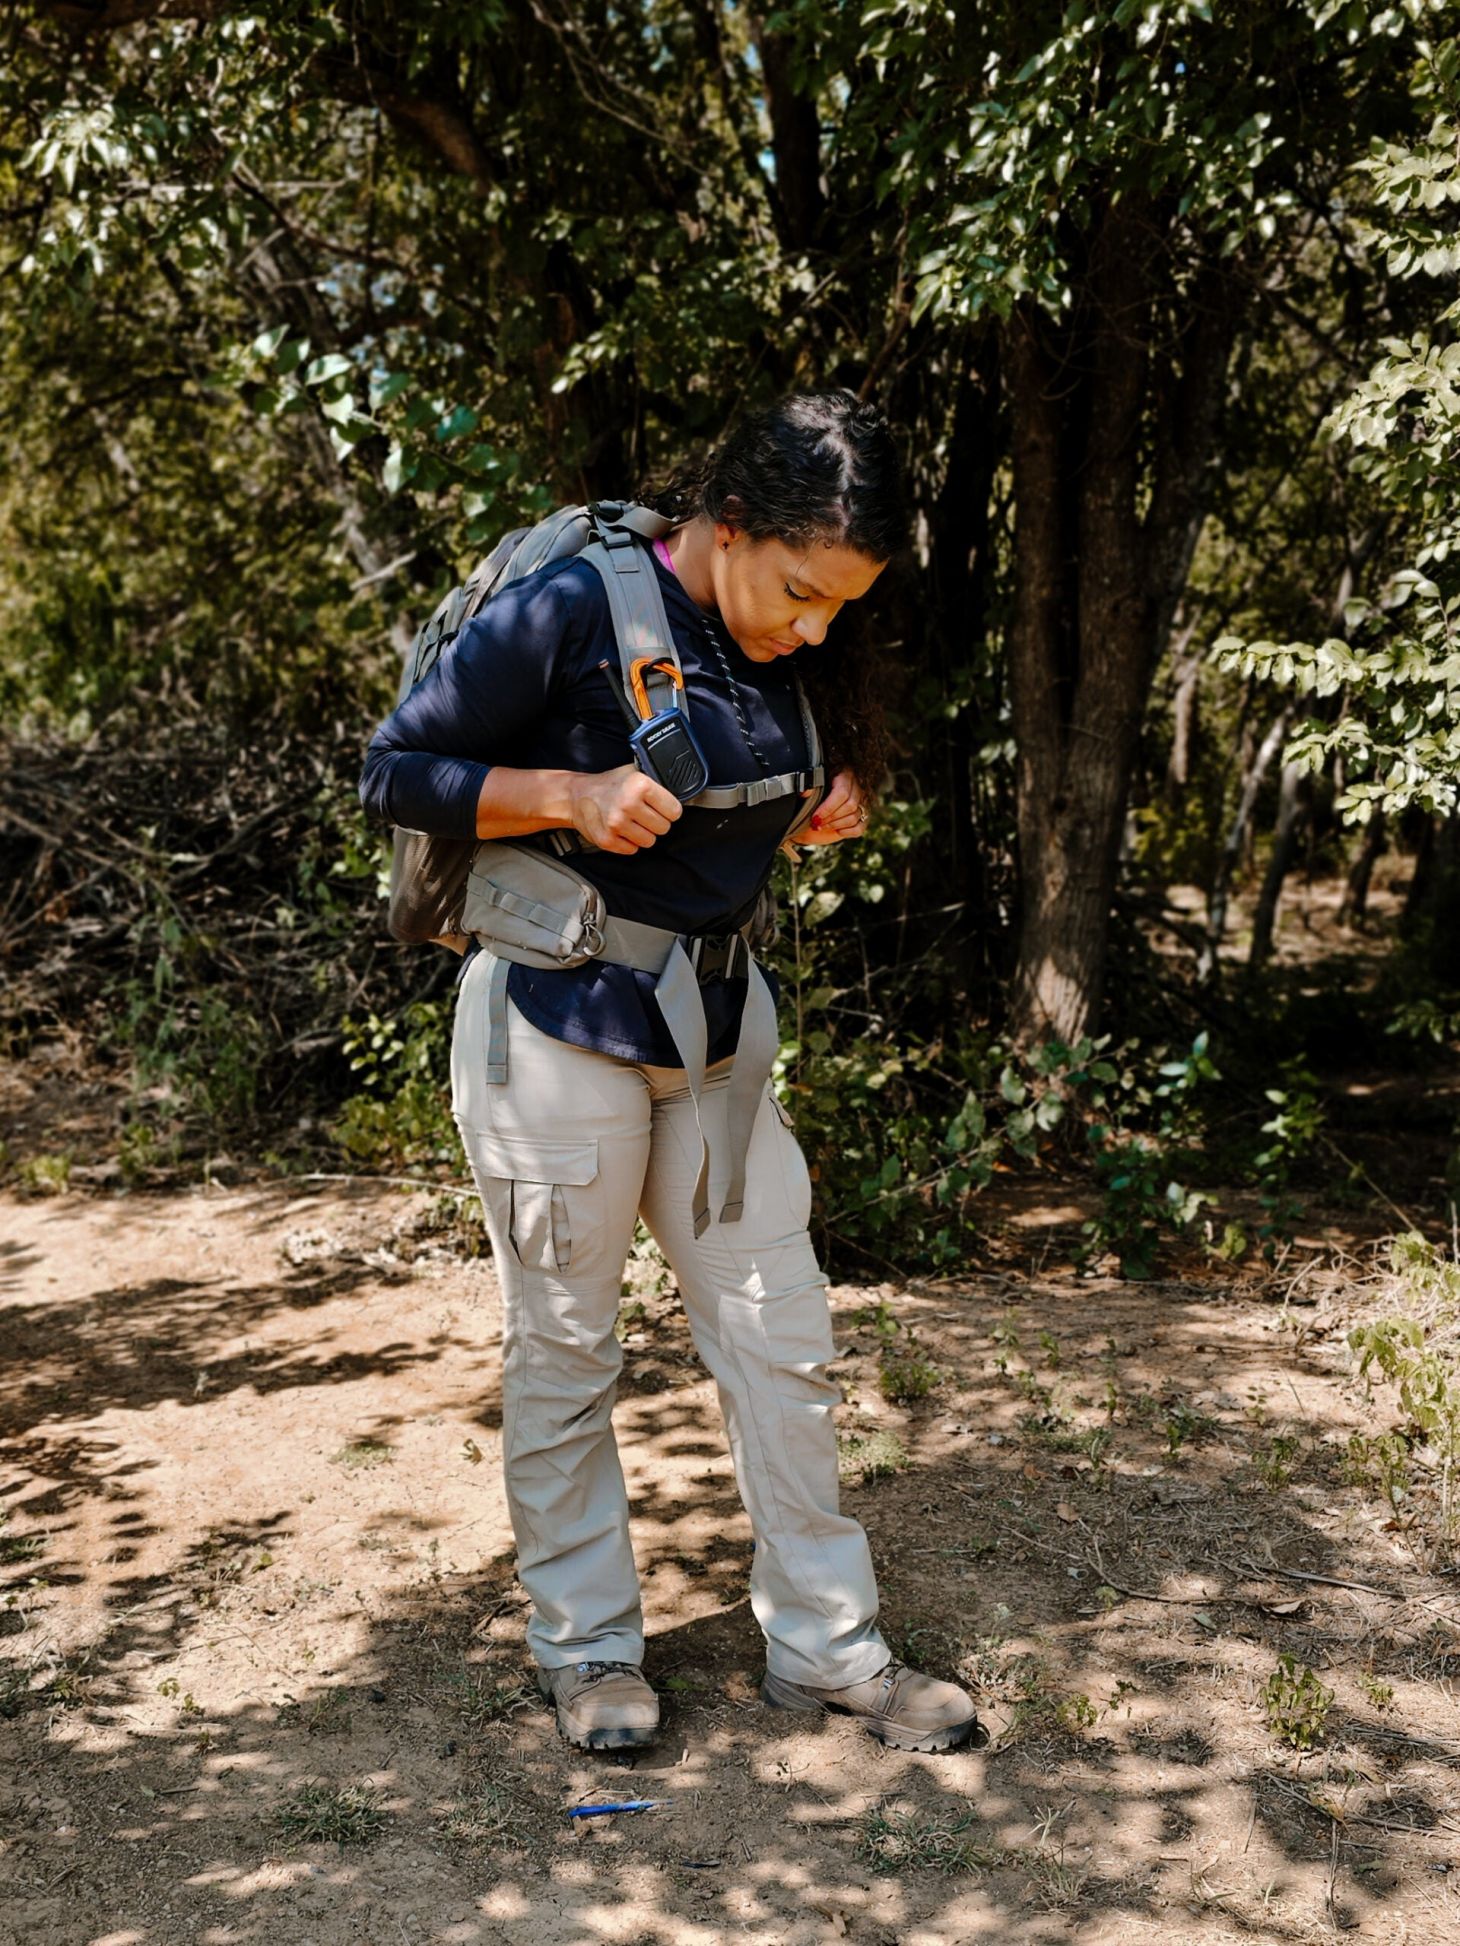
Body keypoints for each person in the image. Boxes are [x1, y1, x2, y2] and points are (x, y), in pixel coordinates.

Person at [359, 389, 979, 1755]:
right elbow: (395, 770)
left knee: (785, 1344)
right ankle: (588, 1654)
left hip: (716, 1044)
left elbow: (749, 785)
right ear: (731, 524)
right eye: (801, 592)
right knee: (570, 1351)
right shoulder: (581, 604)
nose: (814, 630)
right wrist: (565, 798)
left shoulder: (791, 644)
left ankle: (829, 1649)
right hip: (554, 1030)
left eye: (840, 612)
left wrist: (826, 801)